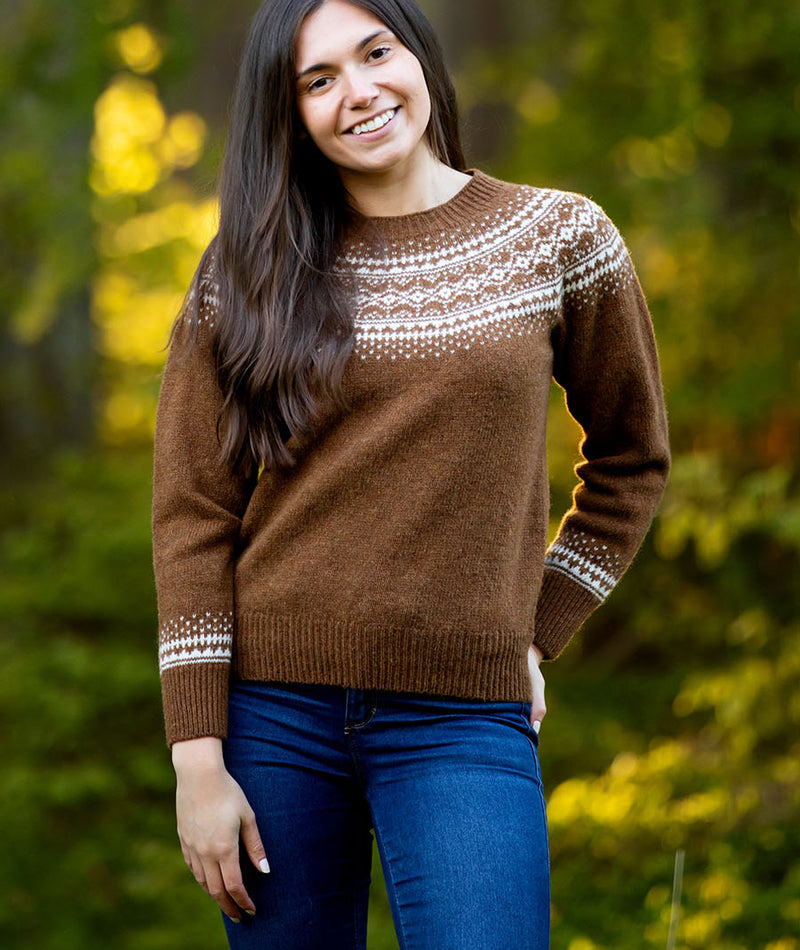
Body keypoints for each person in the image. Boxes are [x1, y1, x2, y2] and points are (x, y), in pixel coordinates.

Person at [151, 0, 670, 947]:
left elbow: (633, 463)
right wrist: (197, 758)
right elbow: (192, 511)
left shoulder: (558, 236)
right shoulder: (248, 270)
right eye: (318, 81)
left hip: (463, 716)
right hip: (271, 718)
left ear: (417, 53)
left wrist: (536, 632)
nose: (360, 92)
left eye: (375, 53)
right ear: (289, 113)